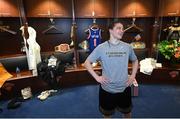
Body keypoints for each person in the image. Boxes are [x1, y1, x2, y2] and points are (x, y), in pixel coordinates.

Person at [84, 20, 139, 118]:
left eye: (122, 29)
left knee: (127, 113)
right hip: (107, 89)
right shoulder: (101, 47)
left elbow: (135, 61)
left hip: (125, 87)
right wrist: (97, 78)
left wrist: (133, 76)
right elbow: (87, 63)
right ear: (110, 30)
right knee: (107, 115)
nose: (122, 31)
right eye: (118, 28)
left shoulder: (127, 47)